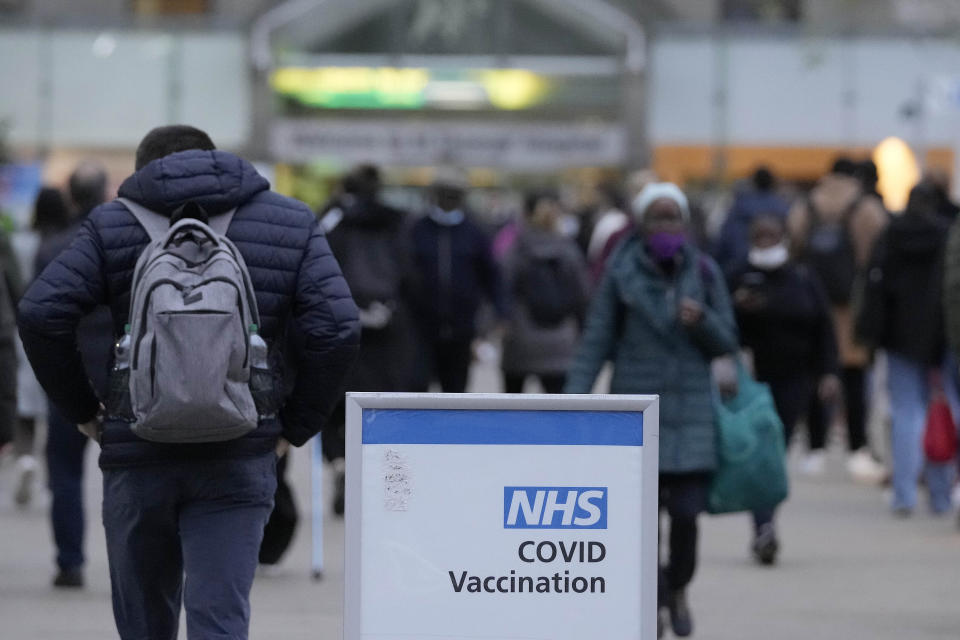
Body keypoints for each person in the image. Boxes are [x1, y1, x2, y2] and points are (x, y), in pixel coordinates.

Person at [18, 125, 360, 639]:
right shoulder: (290, 221)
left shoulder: (112, 223)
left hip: (138, 450)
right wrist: (294, 425)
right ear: (215, 159)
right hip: (241, 450)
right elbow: (337, 326)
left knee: (144, 625)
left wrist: (85, 412)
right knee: (219, 620)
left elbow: (42, 312)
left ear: (144, 171)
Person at [565, 182, 738, 638]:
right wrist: (569, 401)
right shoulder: (619, 275)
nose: (666, 228)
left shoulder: (704, 270)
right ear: (642, 225)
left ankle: (678, 585)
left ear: (684, 223)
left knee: (685, 517)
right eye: (658, 219)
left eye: (673, 218)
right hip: (637, 418)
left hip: (691, 416)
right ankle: (655, 599)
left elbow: (728, 341)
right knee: (640, 525)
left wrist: (702, 321)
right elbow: (595, 342)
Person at [728, 213, 840, 564]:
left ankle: (765, 521)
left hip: (795, 380)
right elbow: (717, 325)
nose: (765, 243)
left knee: (778, 450)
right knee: (762, 451)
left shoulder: (803, 278)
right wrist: (739, 308)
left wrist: (828, 372)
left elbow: (824, 327)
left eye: (771, 236)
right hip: (751, 382)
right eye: (758, 236)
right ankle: (764, 526)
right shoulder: (736, 276)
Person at [31, 163, 114, 587]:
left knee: (64, 473)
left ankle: (70, 562)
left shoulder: (52, 247)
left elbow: (37, 315)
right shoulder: (125, 244)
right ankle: (131, 564)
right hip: (119, 378)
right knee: (126, 475)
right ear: (104, 193)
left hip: (67, 377)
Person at [318, 164, 414, 516]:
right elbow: (410, 270)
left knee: (334, 401)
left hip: (339, 320)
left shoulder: (331, 219)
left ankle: (341, 462)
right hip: (389, 324)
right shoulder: (397, 221)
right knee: (383, 400)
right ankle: (381, 475)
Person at [788, 158, 888, 481]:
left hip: (813, 303)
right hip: (853, 304)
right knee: (854, 376)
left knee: (817, 374)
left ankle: (815, 447)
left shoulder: (808, 204)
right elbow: (879, 250)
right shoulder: (866, 207)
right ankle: (857, 446)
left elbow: (793, 244)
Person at [864, 184, 953, 516]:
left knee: (905, 413)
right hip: (940, 336)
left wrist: (874, 333)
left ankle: (904, 494)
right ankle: (943, 496)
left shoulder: (892, 234)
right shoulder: (946, 236)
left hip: (898, 335)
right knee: (944, 412)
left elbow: (875, 286)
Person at [408, 169, 506, 393]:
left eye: (455, 194)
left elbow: (491, 274)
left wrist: (501, 311)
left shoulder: (475, 231)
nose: (449, 199)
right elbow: (404, 271)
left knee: (455, 390)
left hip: (462, 327)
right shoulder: (416, 229)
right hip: (421, 327)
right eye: (445, 193)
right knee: (416, 388)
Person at [10, 186, 68, 507]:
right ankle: (47, 473)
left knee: (23, 404)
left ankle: (24, 457)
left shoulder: (21, 244)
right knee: (55, 408)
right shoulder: (67, 245)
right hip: (55, 333)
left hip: (20, 329)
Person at [500, 190, 588, 394]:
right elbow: (583, 294)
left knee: (511, 410)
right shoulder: (569, 250)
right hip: (561, 340)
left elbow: (502, 288)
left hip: (520, 340)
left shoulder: (516, 248)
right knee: (558, 413)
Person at [714, 166, 791, 277]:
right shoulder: (783, 208)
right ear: (773, 183)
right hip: (779, 269)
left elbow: (722, 241)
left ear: (753, 183)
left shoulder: (738, 208)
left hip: (738, 267)